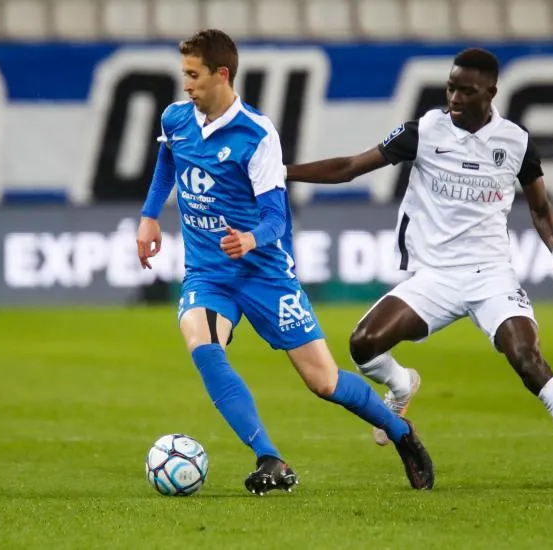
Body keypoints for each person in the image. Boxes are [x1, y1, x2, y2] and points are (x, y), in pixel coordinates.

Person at [284, 48, 553, 490]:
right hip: (434, 275)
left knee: (527, 360)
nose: (454, 96)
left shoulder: (516, 141)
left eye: (465, 90)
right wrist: (280, 172)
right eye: (450, 86)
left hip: (491, 275)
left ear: (490, 92)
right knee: (363, 345)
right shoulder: (424, 131)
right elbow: (351, 167)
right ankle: (400, 386)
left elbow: (540, 207)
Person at [135, 29, 433, 495]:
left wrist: (250, 239)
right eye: (184, 75)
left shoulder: (257, 135)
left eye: (193, 75)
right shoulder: (176, 118)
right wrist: (150, 217)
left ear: (222, 74)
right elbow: (167, 163)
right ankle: (270, 458)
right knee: (202, 342)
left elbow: (277, 217)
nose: (186, 85)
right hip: (210, 273)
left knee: (324, 381)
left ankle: (402, 434)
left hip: (265, 274)